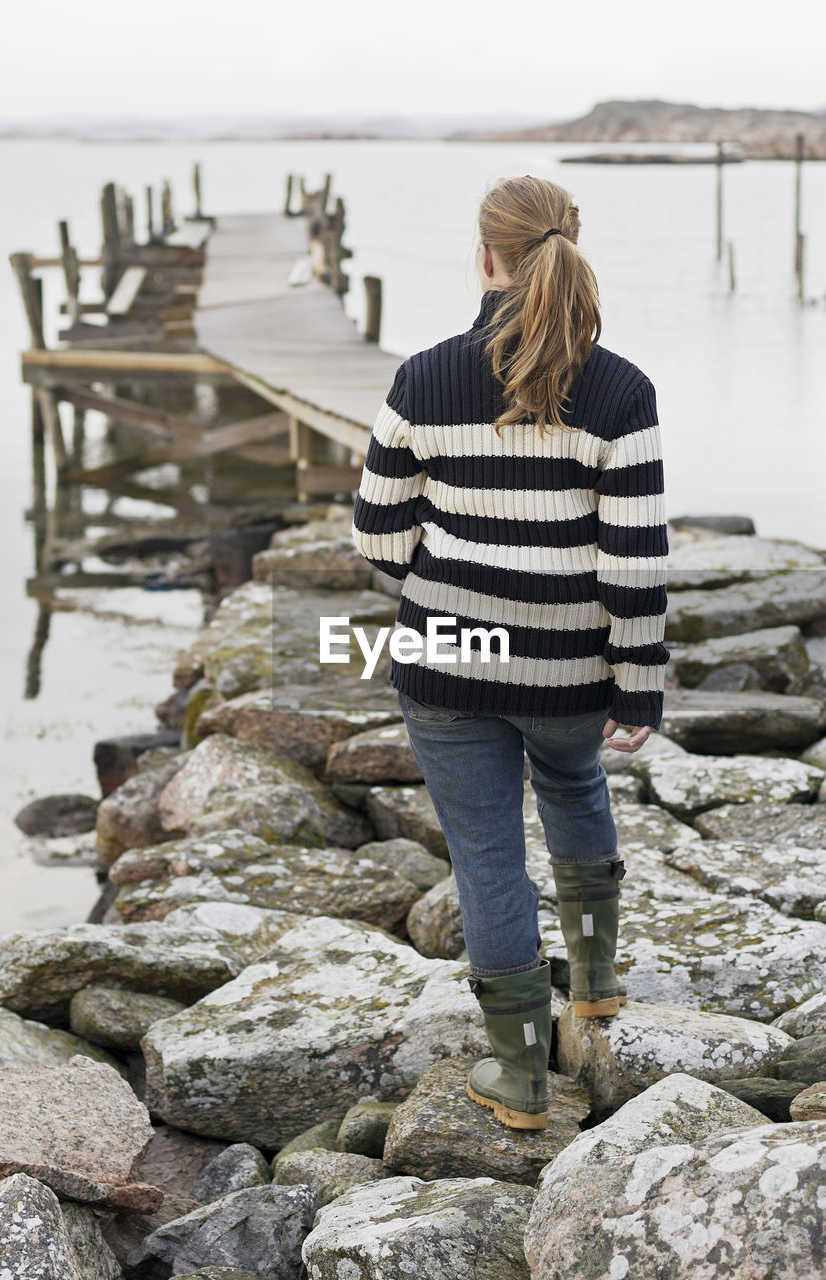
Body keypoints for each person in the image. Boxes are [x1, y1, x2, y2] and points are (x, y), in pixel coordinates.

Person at [351, 176, 668, 1131]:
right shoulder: (622, 390)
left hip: (447, 655)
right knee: (575, 789)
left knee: (486, 855)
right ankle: (597, 984)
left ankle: (521, 1075)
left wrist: (446, 572)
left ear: (486, 258)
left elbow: (376, 539)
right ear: (571, 247)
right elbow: (635, 559)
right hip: (571, 667)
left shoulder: (424, 376)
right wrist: (640, 690)